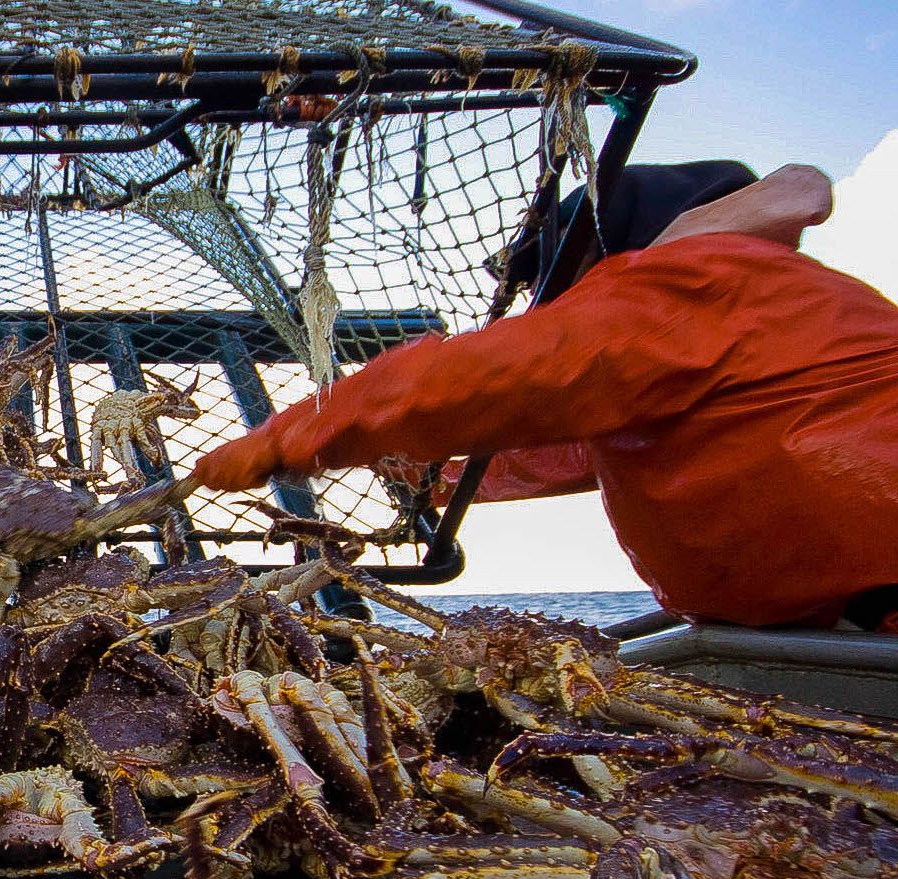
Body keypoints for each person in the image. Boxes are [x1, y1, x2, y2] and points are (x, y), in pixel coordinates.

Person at [192, 161, 898, 632]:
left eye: (552, 282)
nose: (546, 302)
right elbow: (562, 451)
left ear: (606, 247)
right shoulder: (745, 323)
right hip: (845, 620)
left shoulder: (702, 276)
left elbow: (494, 376)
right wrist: (429, 477)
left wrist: (290, 435)